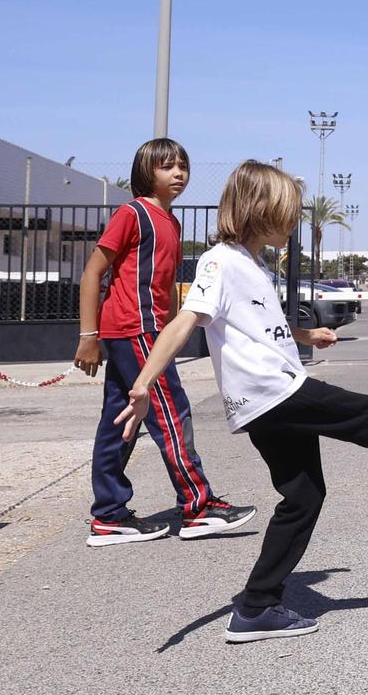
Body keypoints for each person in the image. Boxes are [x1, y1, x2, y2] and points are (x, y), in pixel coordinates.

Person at [116, 160, 368, 644]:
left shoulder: (251, 265)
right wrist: (143, 384)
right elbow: (185, 322)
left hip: (267, 396)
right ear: (259, 210)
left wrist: (306, 333)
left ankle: (256, 608)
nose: (294, 224)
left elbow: (252, 329)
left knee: (303, 497)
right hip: (271, 391)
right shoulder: (219, 262)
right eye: (288, 214)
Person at [75, 138, 251, 545]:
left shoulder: (170, 222)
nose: (179, 173)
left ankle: (109, 516)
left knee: (118, 422)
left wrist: (173, 330)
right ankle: (198, 506)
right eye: (167, 167)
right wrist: (88, 336)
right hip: (134, 329)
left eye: (183, 166)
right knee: (171, 412)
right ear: (146, 172)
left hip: (148, 330)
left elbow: (167, 284)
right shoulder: (132, 214)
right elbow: (92, 272)